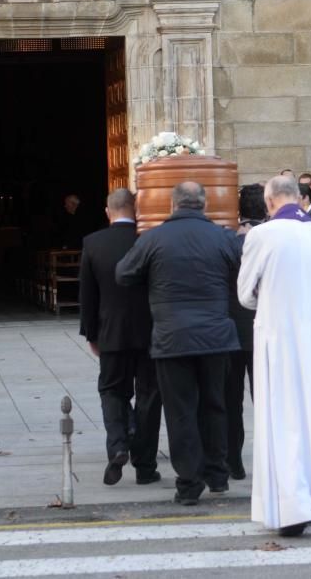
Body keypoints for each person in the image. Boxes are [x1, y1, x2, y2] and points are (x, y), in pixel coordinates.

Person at [116, 182, 240, 506]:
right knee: (215, 405)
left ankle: (188, 483)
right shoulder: (224, 237)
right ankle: (217, 475)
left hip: (173, 338)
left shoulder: (153, 238)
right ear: (204, 204)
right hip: (215, 336)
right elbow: (243, 270)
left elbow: (124, 273)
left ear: (172, 205)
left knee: (180, 411)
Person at [237, 176, 311, 538]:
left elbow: (245, 294)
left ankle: (290, 505)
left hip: (279, 336)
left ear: (269, 202)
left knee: (282, 417)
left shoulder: (261, 235)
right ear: (298, 198)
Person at [79, 188, 162, 487]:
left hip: (110, 331)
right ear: (136, 210)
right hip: (150, 332)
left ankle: (118, 445)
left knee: (112, 391)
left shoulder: (93, 243)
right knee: (150, 396)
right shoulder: (149, 241)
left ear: (107, 211)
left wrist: (90, 333)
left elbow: (88, 296)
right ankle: (145, 466)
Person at [227, 184, 266, 481]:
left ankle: (233, 461)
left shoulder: (229, 240)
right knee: (264, 399)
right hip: (263, 327)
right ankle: (267, 458)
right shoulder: (273, 239)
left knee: (230, 401)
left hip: (231, 329)